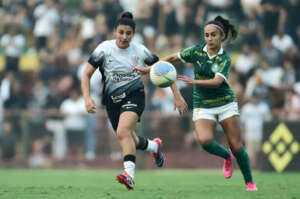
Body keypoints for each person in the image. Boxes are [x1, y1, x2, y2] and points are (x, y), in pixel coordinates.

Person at [134, 16, 258, 191]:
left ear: (222, 36)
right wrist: (149, 69)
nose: (209, 38)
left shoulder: (225, 59)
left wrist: (194, 82)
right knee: (204, 140)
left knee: (237, 145)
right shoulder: (196, 51)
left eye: (213, 35)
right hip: (203, 103)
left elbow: (216, 82)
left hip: (225, 102)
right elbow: (171, 57)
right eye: (206, 35)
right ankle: (226, 156)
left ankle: (249, 182)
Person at [81, 11, 187, 190]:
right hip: (112, 101)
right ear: (114, 31)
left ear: (133, 34)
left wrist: (176, 95)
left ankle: (129, 175)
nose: (124, 37)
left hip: (134, 95)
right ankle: (154, 146)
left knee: (123, 132)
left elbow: (163, 69)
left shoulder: (140, 50)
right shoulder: (103, 49)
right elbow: (86, 74)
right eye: (121, 32)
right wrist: (87, 98)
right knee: (128, 138)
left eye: (128, 33)